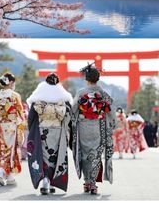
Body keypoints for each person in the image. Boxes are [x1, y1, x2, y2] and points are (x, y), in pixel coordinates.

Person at [72, 63, 116, 195]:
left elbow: (73, 109)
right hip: (99, 126)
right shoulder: (103, 93)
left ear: (86, 79)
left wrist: (71, 124)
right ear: (98, 79)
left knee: (84, 154)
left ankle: (86, 182)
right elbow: (111, 111)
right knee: (95, 154)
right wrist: (112, 125)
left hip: (83, 126)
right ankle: (93, 183)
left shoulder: (81, 93)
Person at [26, 73, 73, 195]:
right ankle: (51, 181)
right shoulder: (63, 95)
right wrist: (67, 129)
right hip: (57, 130)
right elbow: (69, 115)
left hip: (42, 130)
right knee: (56, 156)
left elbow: (31, 117)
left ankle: (45, 180)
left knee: (44, 155)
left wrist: (32, 130)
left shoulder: (39, 95)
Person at [0, 72, 26, 186]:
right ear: (10, 82)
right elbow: (20, 112)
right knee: (10, 149)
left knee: (2, 148)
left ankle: (10, 176)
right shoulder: (14, 95)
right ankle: (0, 172)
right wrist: (23, 123)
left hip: (0, 125)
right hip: (11, 125)